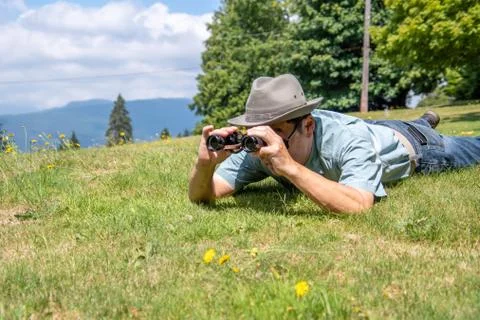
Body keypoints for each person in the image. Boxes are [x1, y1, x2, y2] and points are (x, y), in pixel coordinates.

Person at [188, 74, 480, 213]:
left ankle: (423, 125)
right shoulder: (260, 147)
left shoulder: (347, 139)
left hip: (418, 147)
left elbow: (359, 204)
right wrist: (204, 166)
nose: (268, 144)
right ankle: (424, 118)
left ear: (308, 125)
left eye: (276, 133)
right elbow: (204, 196)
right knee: (392, 127)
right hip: (375, 129)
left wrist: (289, 168)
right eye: (257, 134)